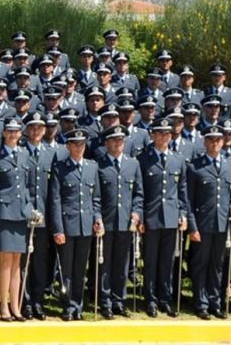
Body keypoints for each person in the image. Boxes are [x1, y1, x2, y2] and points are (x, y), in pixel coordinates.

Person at [186, 125, 231, 320]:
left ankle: (215, 302)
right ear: (205, 142)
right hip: (202, 224)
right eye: (211, 139)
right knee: (201, 263)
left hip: (222, 223)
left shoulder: (230, 166)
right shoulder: (194, 167)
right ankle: (201, 303)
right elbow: (188, 200)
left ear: (223, 141)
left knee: (218, 264)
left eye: (218, 139)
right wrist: (192, 227)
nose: (215, 143)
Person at [49, 128, 102, 321]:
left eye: (82, 144)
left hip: (85, 225)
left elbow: (96, 198)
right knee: (67, 269)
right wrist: (58, 229)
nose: (79, 148)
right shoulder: (60, 168)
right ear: (68, 146)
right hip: (67, 225)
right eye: (75, 144)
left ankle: (77, 304)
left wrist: (97, 218)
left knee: (80, 269)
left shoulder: (92, 167)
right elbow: (55, 201)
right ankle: (67, 305)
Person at [137, 117, 188, 318]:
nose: (164, 136)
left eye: (168, 133)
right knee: (150, 261)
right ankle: (150, 299)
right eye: (160, 133)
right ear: (153, 134)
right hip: (151, 217)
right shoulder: (143, 159)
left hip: (171, 217)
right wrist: (140, 218)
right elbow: (140, 192)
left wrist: (182, 213)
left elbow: (182, 190)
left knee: (167, 261)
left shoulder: (178, 159)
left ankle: (165, 298)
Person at [0, 117, 33, 322]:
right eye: (9, 131)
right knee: (5, 260)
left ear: (21, 134)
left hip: (21, 214)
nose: (13, 134)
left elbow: (28, 186)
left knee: (17, 261)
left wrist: (30, 209)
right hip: (3, 213)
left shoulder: (24, 155)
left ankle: (16, 306)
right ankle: (3, 306)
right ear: (4, 133)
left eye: (16, 131)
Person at [96, 124, 143, 319]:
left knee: (122, 264)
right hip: (106, 223)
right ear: (106, 143)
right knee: (105, 265)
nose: (118, 143)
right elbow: (96, 197)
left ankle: (119, 301)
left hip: (125, 223)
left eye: (121, 140)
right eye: (114, 140)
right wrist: (97, 217)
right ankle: (105, 302)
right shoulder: (98, 165)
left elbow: (138, 194)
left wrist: (137, 212)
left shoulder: (133, 164)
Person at [21, 112, 57, 320]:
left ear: (45, 130)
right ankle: (25, 302)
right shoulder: (20, 152)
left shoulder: (52, 154)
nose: (36, 131)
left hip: (44, 218)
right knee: (24, 261)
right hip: (24, 217)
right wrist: (28, 210)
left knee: (41, 262)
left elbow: (54, 189)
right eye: (32, 127)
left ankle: (38, 301)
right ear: (26, 130)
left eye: (40, 127)